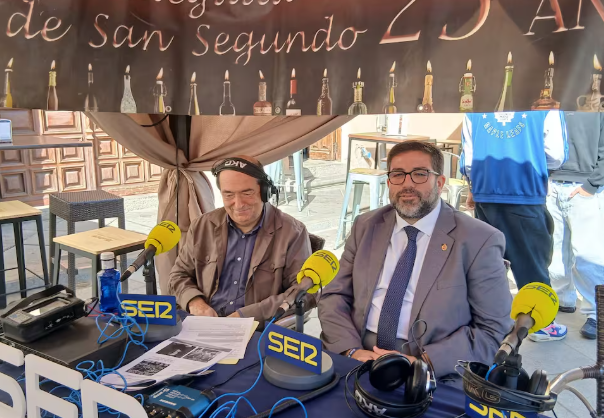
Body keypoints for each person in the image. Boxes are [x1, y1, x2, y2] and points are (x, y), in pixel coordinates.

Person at [319, 141, 512, 385]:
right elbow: (334, 296)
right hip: (359, 355)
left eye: (420, 174)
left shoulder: (478, 239)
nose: (407, 184)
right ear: (389, 182)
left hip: (432, 370)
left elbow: (493, 330)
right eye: (398, 174)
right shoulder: (366, 226)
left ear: (439, 183)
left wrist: (424, 362)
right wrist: (351, 350)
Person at [462, 110, 568, 341]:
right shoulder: (547, 107)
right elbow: (557, 155)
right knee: (531, 261)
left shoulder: (475, 108)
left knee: (490, 262)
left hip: (485, 192)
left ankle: (488, 320)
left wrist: (474, 187)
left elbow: (468, 159)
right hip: (525, 191)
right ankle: (540, 324)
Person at [169, 155, 312, 321]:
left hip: (258, 328)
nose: (238, 204)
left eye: (247, 192)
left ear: (264, 191)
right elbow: (178, 275)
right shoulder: (202, 226)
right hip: (204, 323)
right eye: (229, 195)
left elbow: (304, 293)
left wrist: (247, 315)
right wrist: (195, 302)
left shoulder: (292, 232)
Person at [546, 112, 604, 340]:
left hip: (586, 186)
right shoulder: (549, 107)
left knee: (588, 255)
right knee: (555, 251)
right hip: (552, 184)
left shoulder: (595, 107)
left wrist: (591, 185)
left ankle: (596, 313)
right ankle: (563, 299)